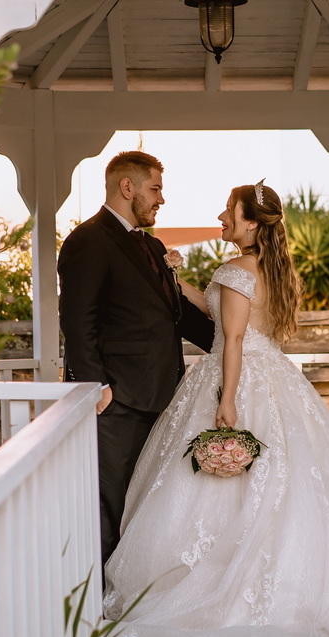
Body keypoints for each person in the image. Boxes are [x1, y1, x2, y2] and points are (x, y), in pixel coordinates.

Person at [98, 181, 329, 637]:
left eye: (230, 211)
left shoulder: (234, 269)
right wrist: (178, 280)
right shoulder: (270, 269)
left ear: (251, 223)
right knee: (288, 489)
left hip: (238, 379)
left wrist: (226, 400)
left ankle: (219, 594)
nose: (222, 216)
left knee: (222, 489)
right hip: (278, 380)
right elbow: (227, 314)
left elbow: (230, 341)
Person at [58, 151, 214, 564]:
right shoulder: (87, 240)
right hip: (117, 401)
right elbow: (77, 320)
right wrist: (97, 387)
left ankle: (133, 587)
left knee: (148, 503)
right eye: (155, 189)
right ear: (127, 187)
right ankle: (98, 596)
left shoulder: (153, 245)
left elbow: (175, 315)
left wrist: (234, 344)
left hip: (163, 397)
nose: (161, 199)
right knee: (109, 505)